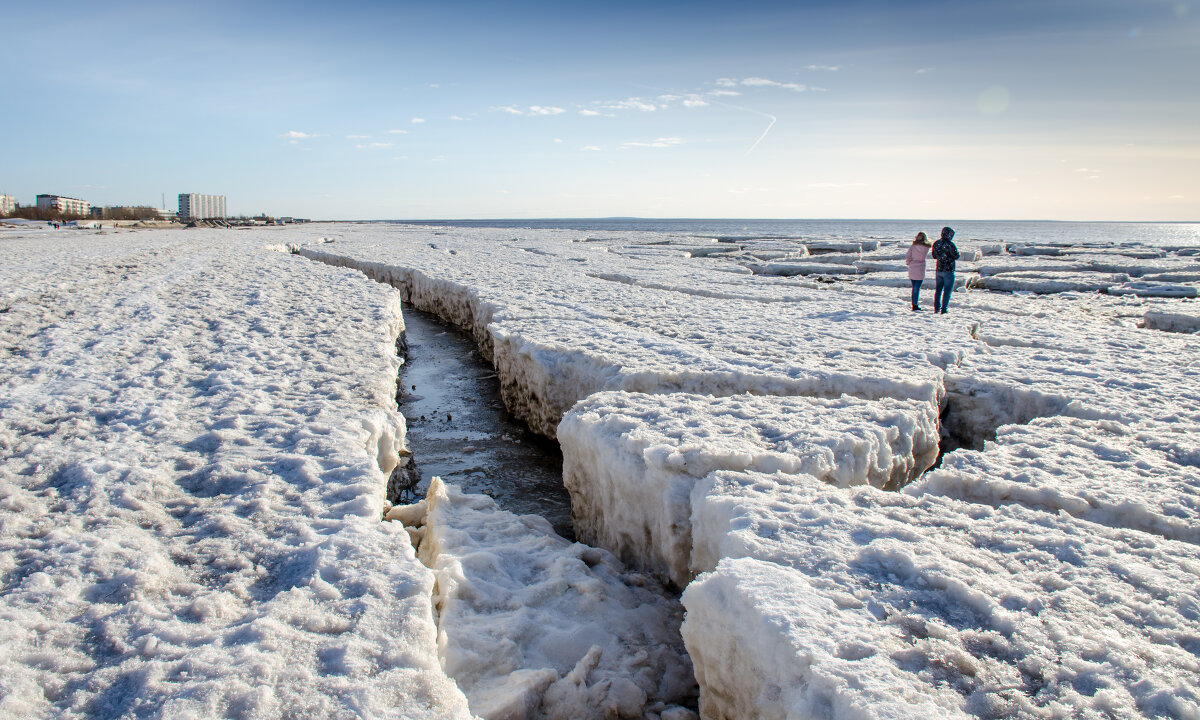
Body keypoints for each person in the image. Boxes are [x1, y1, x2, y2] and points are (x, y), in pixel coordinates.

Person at [931, 226, 960, 314]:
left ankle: (936, 308)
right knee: (947, 291)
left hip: (939, 269)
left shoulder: (936, 243)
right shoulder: (950, 244)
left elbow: (934, 256)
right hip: (948, 270)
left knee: (938, 290)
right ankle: (944, 309)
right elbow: (956, 256)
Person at [905, 232, 930, 311]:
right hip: (921, 267)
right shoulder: (926, 247)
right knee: (917, 287)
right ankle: (915, 304)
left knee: (914, 287)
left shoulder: (913, 246)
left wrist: (908, 263)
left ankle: (914, 303)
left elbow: (908, 256)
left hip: (913, 266)